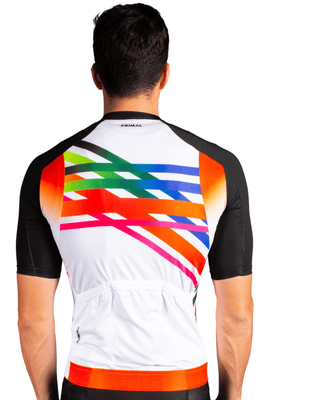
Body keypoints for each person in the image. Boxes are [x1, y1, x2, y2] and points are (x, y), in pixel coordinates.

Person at [16, 3, 254, 400]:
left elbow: (32, 320)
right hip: (182, 385)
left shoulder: (50, 171)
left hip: (90, 385)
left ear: (96, 76)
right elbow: (237, 314)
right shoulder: (216, 169)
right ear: (165, 75)